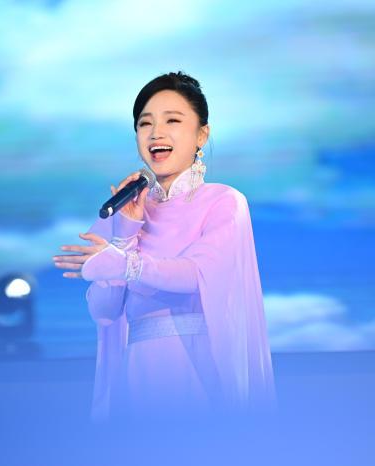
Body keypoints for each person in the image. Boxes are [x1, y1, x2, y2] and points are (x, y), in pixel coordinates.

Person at [53, 71, 277, 423]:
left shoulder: (223, 201)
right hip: (137, 374)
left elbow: (195, 275)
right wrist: (125, 234)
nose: (156, 133)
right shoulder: (124, 211)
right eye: (145, 123)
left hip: (200, 370)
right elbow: (104, 311)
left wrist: (125, 263)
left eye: (172, 120)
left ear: (201, 134)